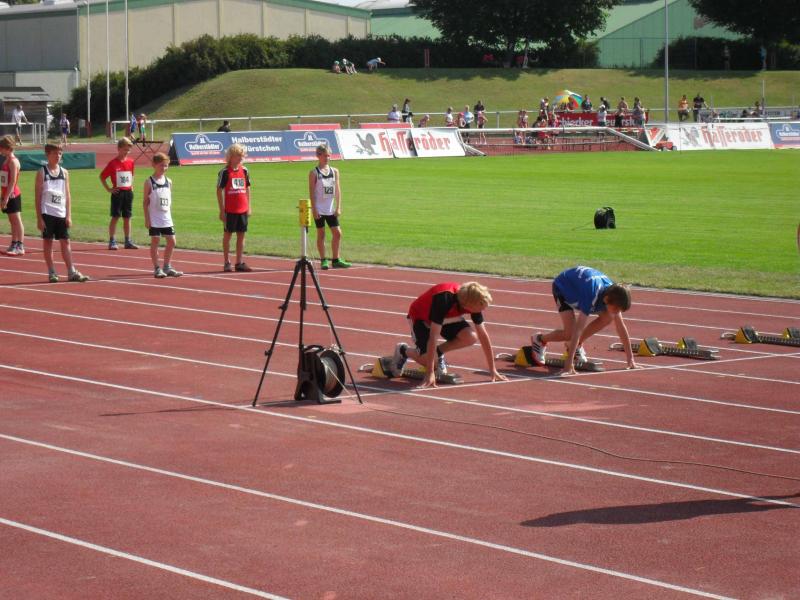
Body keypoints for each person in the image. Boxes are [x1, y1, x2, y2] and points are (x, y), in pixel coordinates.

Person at [389, 281, 507, 388]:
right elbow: (433, 337)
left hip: (447, 317)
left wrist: (493, 369)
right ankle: (403, 351)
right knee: (430, 361)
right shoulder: (444, 299)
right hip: (422, 319)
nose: (483, 310)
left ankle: (438, 353)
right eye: (481, 307)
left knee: (470, 337)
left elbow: (483, 335)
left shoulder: (472, 301)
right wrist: (430, 373)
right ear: (469, 304)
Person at [530, 266, 637, 376]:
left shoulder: (613, 293)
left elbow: (621, 327)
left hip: (580, 287)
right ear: (606, 300)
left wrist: (630, 359)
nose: (617, 312)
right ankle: (540, 339)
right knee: (569, 334)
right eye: (616, 309)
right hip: (563, 288)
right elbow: (578, 329)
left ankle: (576, 345)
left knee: (609, 317)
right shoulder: (591, 293)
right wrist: (568, 365)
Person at [34, 143, 89, 283]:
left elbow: (67, 194)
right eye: (54, 153)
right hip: (47, 212)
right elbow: (37, 197)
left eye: (60, 153)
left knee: (66, 241)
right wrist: (39, 218)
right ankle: (52, 272)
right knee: (48, 242)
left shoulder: (64, 172)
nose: (58, 156)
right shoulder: (42, 172)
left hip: (61, 212)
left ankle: (71, 271)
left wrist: (69, 215)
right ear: (47, 155)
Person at [309, 144, 350, 270]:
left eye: (328, 155)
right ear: (318, 156)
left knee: (337, 233)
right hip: (319, 208)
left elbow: (338, 190)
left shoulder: (335, 171)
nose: (327, 158)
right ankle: (323, 260)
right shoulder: (314, 173)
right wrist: (314, 209)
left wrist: (338, 207)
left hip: (330, 209)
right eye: (324, 156)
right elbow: (311, 193)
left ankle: (336, 259)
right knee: (321, 234)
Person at [143, 152, 182, 279]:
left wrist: (169, 215)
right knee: (155, 241)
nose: (164, 168)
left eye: (166, 165)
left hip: (166, 217)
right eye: (161, 165)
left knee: (172, 241)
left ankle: (167, 266)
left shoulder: (169, 181)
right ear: (154, 165)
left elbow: (168, 199)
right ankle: (157, 268)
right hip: (154, 218)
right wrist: (147, 219)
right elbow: (145, 202)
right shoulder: (149, 182)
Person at [216, 143, 252, 272]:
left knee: (241, 235)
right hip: (230, 210)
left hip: (243, 209)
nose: (241, 158)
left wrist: (249, 206)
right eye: (238, 155)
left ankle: (239, 262)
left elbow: (247, 188)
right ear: (230, 156)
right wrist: (222, 210)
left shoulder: (245, 170)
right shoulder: (224, 172)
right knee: (228, 235)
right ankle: (227, 262)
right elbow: (219, 190)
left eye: (242, 155)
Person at [99, 137, 138, 250]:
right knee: (115, 217)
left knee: (127, 217)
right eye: (125, 149)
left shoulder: (131, 162)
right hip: (118, 193)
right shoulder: (112, 163)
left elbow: (132, 174)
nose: (127, 152)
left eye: (128, 150)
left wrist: (131, 185)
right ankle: (112, 241)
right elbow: (102, 176)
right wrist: (109, 189)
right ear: (119, 149)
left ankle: (128, 241)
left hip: (128, 193)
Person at [0, 135, 25, 255]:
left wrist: (6, 197)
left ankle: (20, 245)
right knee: (12, 220)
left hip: (12, 195)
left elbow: (13, 181)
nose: (0, 150)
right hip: (6, 193)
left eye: (1, 148)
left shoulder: (13, 162)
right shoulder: (6, 160)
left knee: (17, 220)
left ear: (8, 148)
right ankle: (14, 243)